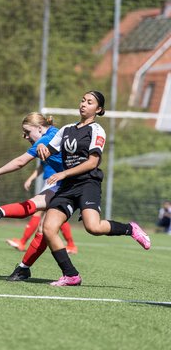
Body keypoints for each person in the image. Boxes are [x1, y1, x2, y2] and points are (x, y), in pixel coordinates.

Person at [36, 90, 151, 286]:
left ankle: (130, 229)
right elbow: (48, 152)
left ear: (98, 109)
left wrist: (63, 173)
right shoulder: (66, 130)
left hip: (87, 183)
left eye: (89, 102)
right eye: (82, 100)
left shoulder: (97, 130)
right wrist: (41, 149)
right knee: (48, 229)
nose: (83, 104)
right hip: (68, 187)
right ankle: (71, 275)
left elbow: (92, 163)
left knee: (93, 227)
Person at [0, 112, 66, 280]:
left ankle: (70, 273)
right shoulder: (53, 132)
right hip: (63, 184)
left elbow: (20, 162)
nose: (24, 136)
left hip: (73, 186)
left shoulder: (45, 139)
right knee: (42, 224)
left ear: (39, 128)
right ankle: (23, 268)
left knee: (92, 226)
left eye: (27, 132)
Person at [5, 162, 78, 254]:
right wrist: (30, 179)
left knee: (51, 213)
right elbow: (42, 166)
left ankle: (23, 242)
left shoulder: (54, 148)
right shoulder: (43, 151)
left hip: (55, 181)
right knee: (54, 214)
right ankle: (71, 245)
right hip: (48, 182)